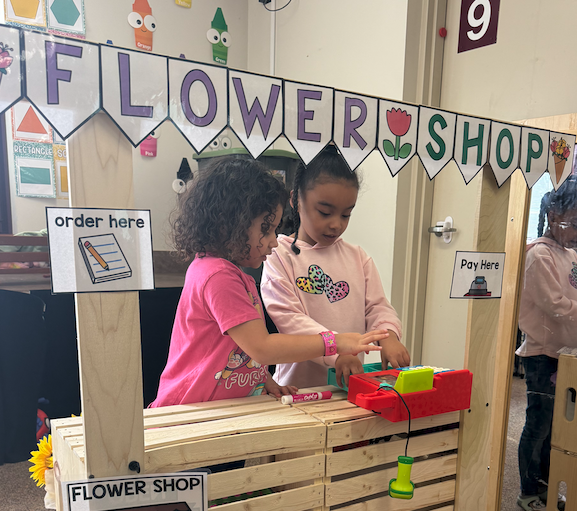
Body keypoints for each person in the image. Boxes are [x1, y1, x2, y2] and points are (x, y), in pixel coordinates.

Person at [151, 156, 388, 407]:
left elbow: (237, 348)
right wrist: (335, 342)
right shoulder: (218, 276)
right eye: (267, 230)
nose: (274, 241)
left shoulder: (231, 275)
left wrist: (263, 380)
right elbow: (261, 347)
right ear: (231, 224)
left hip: (213, 406)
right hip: (188, 410)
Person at [260, 145, 410, 388]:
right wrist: (337, 351)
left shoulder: (358, 257)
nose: (335, 225)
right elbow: (290, 320)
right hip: (297, 390)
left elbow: (378, 308)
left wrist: (388, 336)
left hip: (350, 388)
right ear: (295, 200)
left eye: (346, 215)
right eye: (325, 212)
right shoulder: (278, 255)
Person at [516, 175, 577, 511]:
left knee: (559, 426)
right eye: (574, 223)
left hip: (569, 354)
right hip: (542, 355)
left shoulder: (571, 256)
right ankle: (528, 490)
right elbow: (553, 303)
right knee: (538, 424)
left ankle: (544, 482)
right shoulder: (539, 255)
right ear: (553, 212)